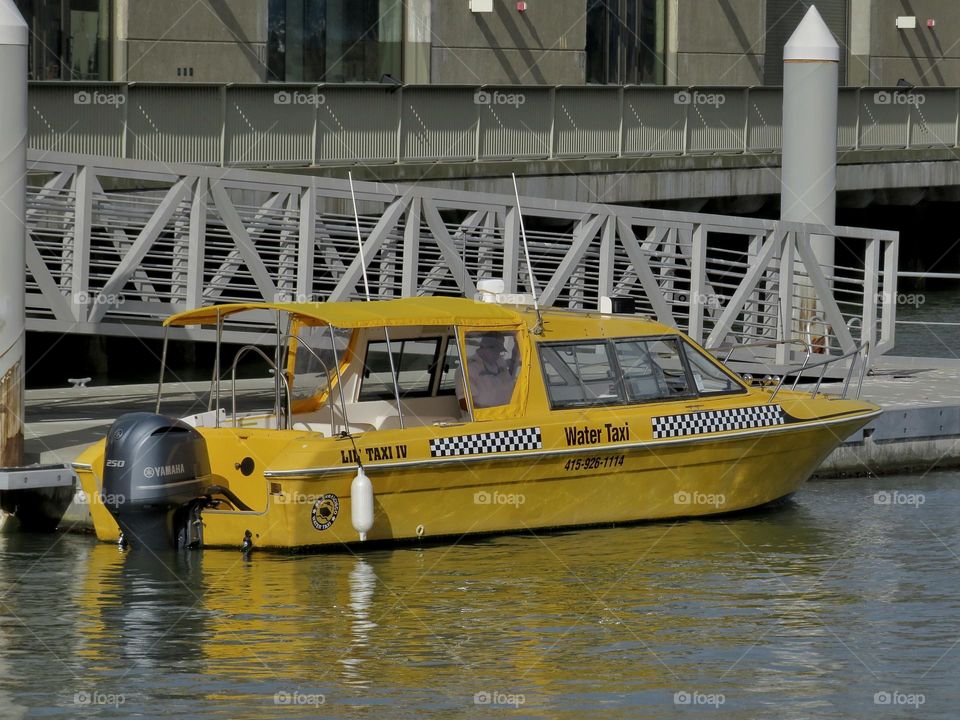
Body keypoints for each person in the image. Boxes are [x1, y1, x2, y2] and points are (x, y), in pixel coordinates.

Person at [456, 332, 519, 410]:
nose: (498, 354)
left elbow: (508, 380)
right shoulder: (467, 368)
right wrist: (492, 413)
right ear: (484, 348)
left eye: (499, 351)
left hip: (509, 412)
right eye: (497, 351)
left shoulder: (499, 361)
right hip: (484, 418)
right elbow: (464, 403)